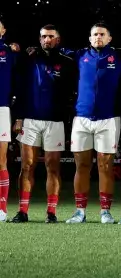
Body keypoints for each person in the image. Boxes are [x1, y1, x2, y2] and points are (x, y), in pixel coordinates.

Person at [66, 22, 121, 224]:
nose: (98, 37)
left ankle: (105, 211)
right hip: (81, 118)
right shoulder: (79, 55)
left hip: (108, 119)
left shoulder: (120, 57)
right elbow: (54, 53)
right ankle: (80, 212)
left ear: (110, 38)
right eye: (94, 34)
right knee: (82, 165)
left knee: (105, 166)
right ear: (90, 38)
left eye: (102, 34)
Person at [11, 25, 74, 223]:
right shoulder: (28, 59)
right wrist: (19, 117)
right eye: (44, 36)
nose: (47, 40)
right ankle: (22, 211)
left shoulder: (68, 63)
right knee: (27, 165)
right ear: (39, 39)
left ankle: (51, 212)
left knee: (52, 167)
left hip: (55, 122)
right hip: (29, 119)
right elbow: (19, 88)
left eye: (51, 37)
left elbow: (71, 95)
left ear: (58, 39)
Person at [0, 22, 16, 221]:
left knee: (1, 161)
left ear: (3, 31)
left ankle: (2, 209)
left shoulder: (8, 53)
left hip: (1, 109)